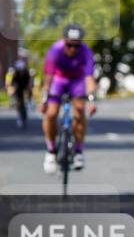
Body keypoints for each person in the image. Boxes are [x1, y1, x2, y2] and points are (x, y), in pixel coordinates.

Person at [40, 24, 97, 173]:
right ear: (64, 41)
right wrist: (44, 98)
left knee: (79, 110)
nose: (72, 49)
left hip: (77, 81)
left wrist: (91, 100)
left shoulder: (85, 52)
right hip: (59, 79)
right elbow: (48, 77)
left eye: (76, 46)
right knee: (51, 114)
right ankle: (51, 151)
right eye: (69, 45)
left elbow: (89, 78)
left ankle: (78, 151)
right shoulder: (55, 50)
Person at [10, 56, 32, 128]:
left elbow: (29, 82)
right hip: (18, 88)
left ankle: (29, 103)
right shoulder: (16, 74)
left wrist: (29, 89)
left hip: (24, 87)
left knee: (26, 98)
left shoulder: (26, 72)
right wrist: (13, 88)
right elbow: (12, 82)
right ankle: (19, 116)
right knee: (19, 102)